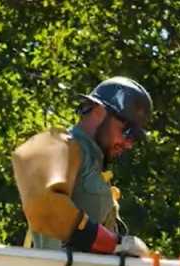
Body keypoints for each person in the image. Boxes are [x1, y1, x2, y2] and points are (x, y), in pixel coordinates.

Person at [12, 77, 153, 256]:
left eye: (135, 138)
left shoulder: (94, 165)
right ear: (99, 112)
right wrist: (115, 244)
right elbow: (45, 206)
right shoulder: (58, 145)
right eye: (127, 132)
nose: (128, 144)